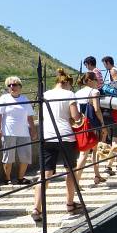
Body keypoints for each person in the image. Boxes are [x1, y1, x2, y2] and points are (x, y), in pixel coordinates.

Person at [31, 69, 83, 222]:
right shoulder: (69, 95)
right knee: (70, 171)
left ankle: (36, 208)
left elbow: (41, 116)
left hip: (47, 136)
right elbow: (75, 117)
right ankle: (69, 204)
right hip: (66, 136)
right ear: (67, 83)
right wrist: (80, 118)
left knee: (45, 175)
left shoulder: (45, 94)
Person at [0, 76, 37, 186]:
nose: (12, 87)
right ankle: (7, 179)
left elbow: (29, 116)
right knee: (8, 157)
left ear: (20, 86)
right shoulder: (4, 98)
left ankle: (20, 178)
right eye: (10, 85)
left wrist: (33, 129)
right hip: (9, 132)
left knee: (25, 156)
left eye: (15, 84)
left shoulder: (25, 99)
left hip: (24, 132)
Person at [74, 72, 107, 186]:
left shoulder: (77, 93)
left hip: (82, 124)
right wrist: (102, 124)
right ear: (90, 80)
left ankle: (96, 175)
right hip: (93, 124)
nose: (98, 82)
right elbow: (97, 109)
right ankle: (76, 182)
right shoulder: (94, 92)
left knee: (85, 153)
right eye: (96, 80)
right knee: (91, 152)